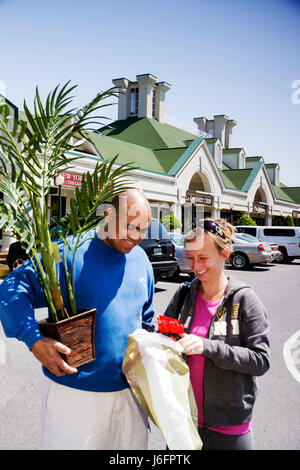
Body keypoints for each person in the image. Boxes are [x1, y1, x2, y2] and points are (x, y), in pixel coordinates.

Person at [0, 188, 155, 450]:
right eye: (130, 226)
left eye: (143, 229)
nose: (136, 237)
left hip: (131, 397)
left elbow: (148, 319)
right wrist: (34, 340)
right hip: (75, 396)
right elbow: (12, 288)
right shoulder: (67, 250)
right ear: (109, 215)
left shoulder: (141, 260)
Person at [163, 218, 270, 450]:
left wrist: (208, 347)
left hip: (229, 430)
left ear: (225, 254)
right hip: (184, 423)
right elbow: (164, 340)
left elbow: (261, 361)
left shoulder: (244, 300)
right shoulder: (183, 295)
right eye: (190, 258)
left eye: (203, 258)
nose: (195, 265)